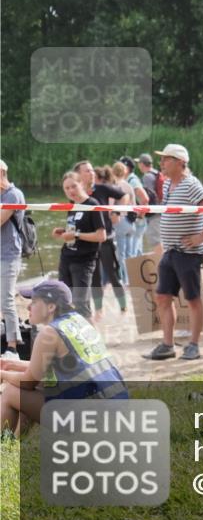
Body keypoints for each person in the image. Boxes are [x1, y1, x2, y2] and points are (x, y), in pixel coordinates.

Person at [1, 280, 126, 436]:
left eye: (33, 302)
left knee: (11, 393)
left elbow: (28, 381)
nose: (28, 307)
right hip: (116, 412)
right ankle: (11, 447)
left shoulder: (49, 333)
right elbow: (50, 370)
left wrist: (3, 375)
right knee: (36, 388)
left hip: (92, 421)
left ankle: (6, 448)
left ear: (51, 307)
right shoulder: (79, 321)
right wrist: (11, 364)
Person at [145, 144, 203, 360]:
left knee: (193, 299)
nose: (161, 163)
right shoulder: (168, 183)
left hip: (188, 253)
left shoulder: (191, 184)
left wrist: (202, 236)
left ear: (180, 163)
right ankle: (167, 345)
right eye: (162, 159)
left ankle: (194, 345)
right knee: (162, 297)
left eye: (166, 159)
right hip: (170, 251)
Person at [74, 161, 128, 317]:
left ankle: (123, 307)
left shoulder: (102, 188)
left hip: (106, 239)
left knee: (113, 275)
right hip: (88, 241)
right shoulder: (76, 194)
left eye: (92, 170)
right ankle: (99, 310)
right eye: (87, 171)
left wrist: (117, 211)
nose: (92, 173)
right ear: (78, 175)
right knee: (95, 278)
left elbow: (124, 195)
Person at [53, 171, 106, 319]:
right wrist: (63, 232)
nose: (71, 191)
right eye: (67, 188)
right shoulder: (72, 206)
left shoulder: (92, 204)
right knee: (64, 301)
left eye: (73, 186)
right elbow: (75, 230)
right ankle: (69, 332)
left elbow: (101, 236)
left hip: (84, 261)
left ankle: (90, 333)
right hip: (66, 258)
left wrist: (76, 235)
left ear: (81, 184)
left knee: (81, 304)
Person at [0, 160, 26, 352]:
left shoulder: (13, 194)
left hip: (9, 255)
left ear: (1, 172)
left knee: (6, 300)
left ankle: (13, 347)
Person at [137, 153, 164, 254]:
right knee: (160, 239)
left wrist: (142, 213)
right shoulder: (156, 173)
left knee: (155, 240)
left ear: (142, 164)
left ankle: (161, 262)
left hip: (154, 213)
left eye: (139, 163)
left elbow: (147, 196)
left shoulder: (147, 177)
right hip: (160, 210)